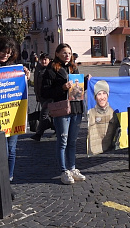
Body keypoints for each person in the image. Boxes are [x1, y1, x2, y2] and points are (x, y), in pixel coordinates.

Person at [41, 43, 90, 184]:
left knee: (72, 142)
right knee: (62, 141)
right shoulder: (50, 70)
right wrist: (62, 88)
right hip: (62, 109)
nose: (67, 55)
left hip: (76, 108)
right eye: (64, 53)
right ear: (57, 54)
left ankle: (72, 167)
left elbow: (79, 89)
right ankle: (64, 171)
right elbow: (45, 92)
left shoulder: (73, 68)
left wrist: (86, 81)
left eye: (69, 53)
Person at [0, 36, 30, 199]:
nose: (5, 55)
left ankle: (8, 183)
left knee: (11, 151)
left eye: (8, 53)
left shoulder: (13, 67)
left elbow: (19, 86)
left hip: (12, 115)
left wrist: (25, 76)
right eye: (3, 51)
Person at [87, 80, 121, 155]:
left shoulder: (113, 112)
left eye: (104, 93)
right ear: (95, 97)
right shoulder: (90, 113)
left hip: (109, 147)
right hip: (95, 149)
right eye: (99, 94)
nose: (102, 97)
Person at [31, 53, 53, 141]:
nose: (43, 61)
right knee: (50, 115)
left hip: (49, 97)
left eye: (46, 59)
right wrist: (37, 95)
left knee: (43, 114)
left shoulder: (51, 69)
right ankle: (55, 127)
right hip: (41, 96)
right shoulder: (38, 69)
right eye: (42, 59)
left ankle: (38, 134)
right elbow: (36, 84)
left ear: (49, 60)